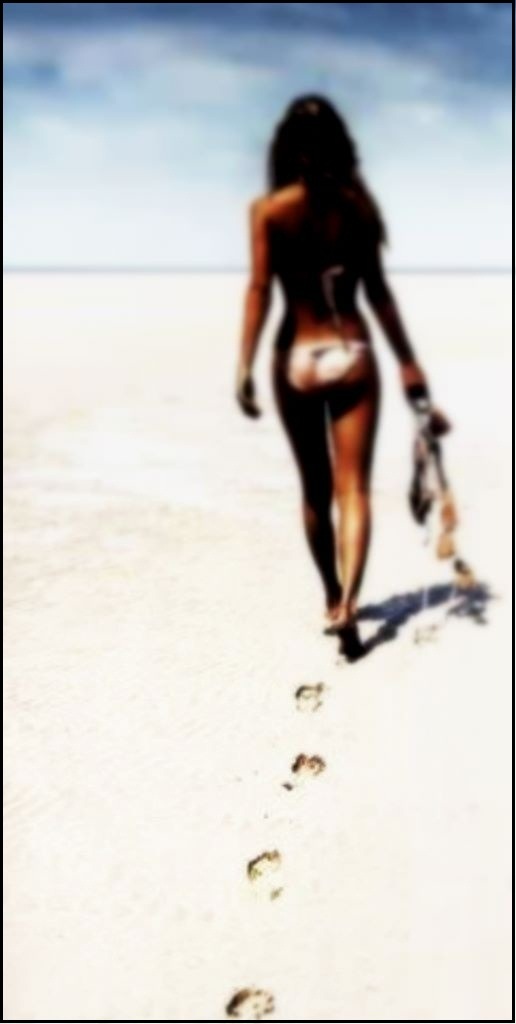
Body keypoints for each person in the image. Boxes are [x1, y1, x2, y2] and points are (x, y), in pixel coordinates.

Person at [235, 94, 433, 660]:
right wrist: (408, 361)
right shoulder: (359, 209)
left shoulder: (268, 210)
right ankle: (349, 603)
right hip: (352, 352)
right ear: (342, 147)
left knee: (315, 492)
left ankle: (329, 594)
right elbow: (379, 294)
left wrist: (245, 365)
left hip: (295, 352)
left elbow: (259, 289)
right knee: (353, 489)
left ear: (285, 149)